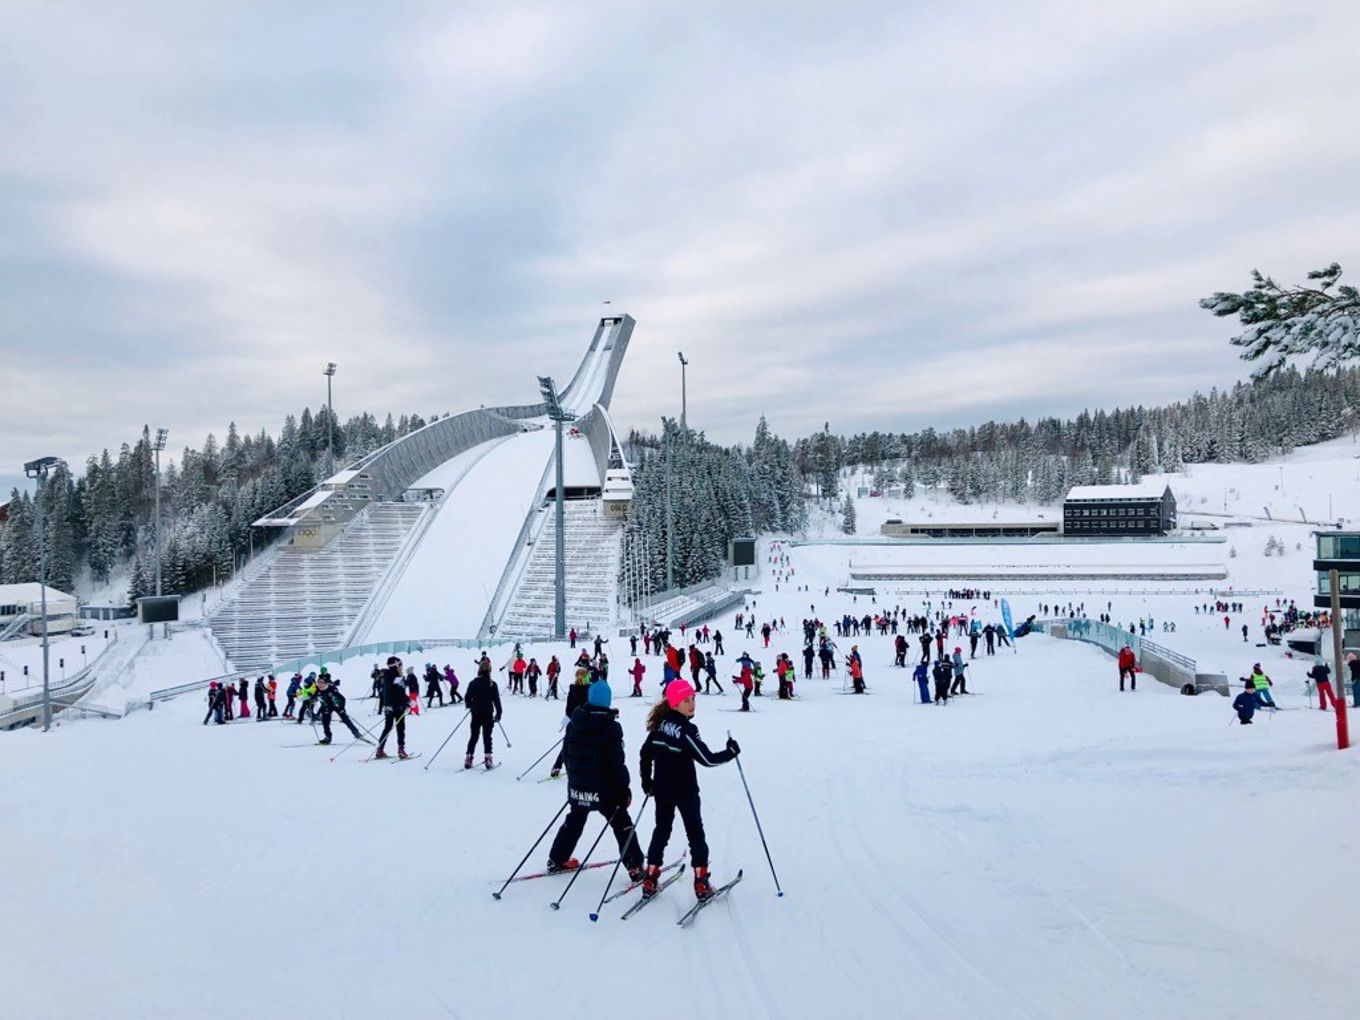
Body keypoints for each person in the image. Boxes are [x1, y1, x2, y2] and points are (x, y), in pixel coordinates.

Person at [639, 680, 740, 902]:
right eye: (686, 700)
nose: (692, 704)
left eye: (693, 698)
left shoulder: (658, 725)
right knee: (695, 832)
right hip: (685, 790)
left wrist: (647, 781)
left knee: (661, 830)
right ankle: (701, 881)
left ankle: (651, 876)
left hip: (663, 788)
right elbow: (707, 759)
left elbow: (645, 754)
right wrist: (730, 752)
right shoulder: (686, 730)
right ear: (674, 703)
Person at [545, 681, 645, 880]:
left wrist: (575, 782)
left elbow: (566, 755)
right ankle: (634, 865)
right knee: (621, 822)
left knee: (575, 819)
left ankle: (557, 858)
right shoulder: (611, 727)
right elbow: (617, 764)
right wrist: (624, 790)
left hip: (578, 787)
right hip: (604, 791)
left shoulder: (574, 723)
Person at [550, 668, 593, 777]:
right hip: (578, 722)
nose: (589, 678)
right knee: (573, 743)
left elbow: (570, 709)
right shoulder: (581, 690)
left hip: (579, 721)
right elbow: (571, 709)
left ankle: (560, 766)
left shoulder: (583, 689)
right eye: (587, 677)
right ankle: (558, 766)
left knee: (575, 744)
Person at [464, 659, 503, 769]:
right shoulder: (492, 684)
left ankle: (469, 757)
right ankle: (488, 757)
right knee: (487, 736)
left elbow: (467, 699)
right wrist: (499, 714)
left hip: (476, 714)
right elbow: (497, 701)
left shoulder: (473, 683)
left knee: (474, 736)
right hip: (488, 714)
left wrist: (471, 706)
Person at [313, 673, 367, 745]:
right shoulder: (317, 689)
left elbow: (342, 699)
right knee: (325, 722)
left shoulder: (332, 689)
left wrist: (342, 708)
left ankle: (356, 733)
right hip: (326, 707)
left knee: (345, 719)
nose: (319, 684)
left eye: (321, 682)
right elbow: (313, 697)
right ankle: (328, 737)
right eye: (318, 682)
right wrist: (309, 701)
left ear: (325, 683)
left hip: (336, 706)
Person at [374, 657, 411, 760]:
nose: (402, 667)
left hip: (387, 706)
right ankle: (401, 750)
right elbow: (400, 692)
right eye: (401, 665)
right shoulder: (398, 677)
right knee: (400, 728)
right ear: (397, 665)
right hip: (397, 707)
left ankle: (380, 749)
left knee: (387, 727)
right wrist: (409, 702)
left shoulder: (386, 676)